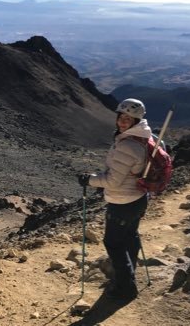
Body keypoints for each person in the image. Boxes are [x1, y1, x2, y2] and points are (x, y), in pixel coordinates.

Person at [78, 98, 152, 300]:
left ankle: (125, 288)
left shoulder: (128, 145)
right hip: (137, 198)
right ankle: (129, 275)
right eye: (121, 117)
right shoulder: (142, 137)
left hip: (123, 202)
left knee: (113, 243)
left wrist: (90, 180)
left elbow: (113, 181)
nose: (122, 121)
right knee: (130, 236)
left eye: (128, 118)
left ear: (136, 121)